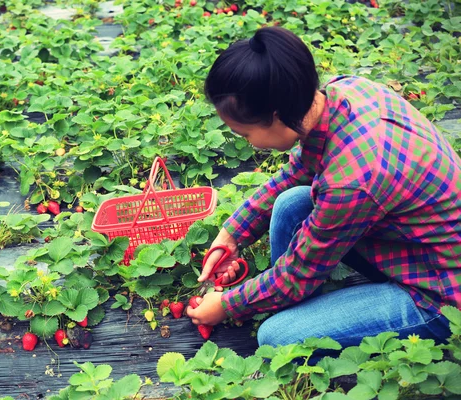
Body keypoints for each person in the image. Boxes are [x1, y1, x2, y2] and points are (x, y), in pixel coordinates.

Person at [186, 26, 459, 350]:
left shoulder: (351, 183)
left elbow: (297, 274)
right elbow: (296, 172)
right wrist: (233, 234)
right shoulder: (347, 90)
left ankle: (290, 307)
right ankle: (289, 303)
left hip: (439, 293)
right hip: (408, 244)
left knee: (277, 338)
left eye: (244, 134)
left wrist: (225, 305)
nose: (249, 143)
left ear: (277, 116)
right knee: (290, 204)